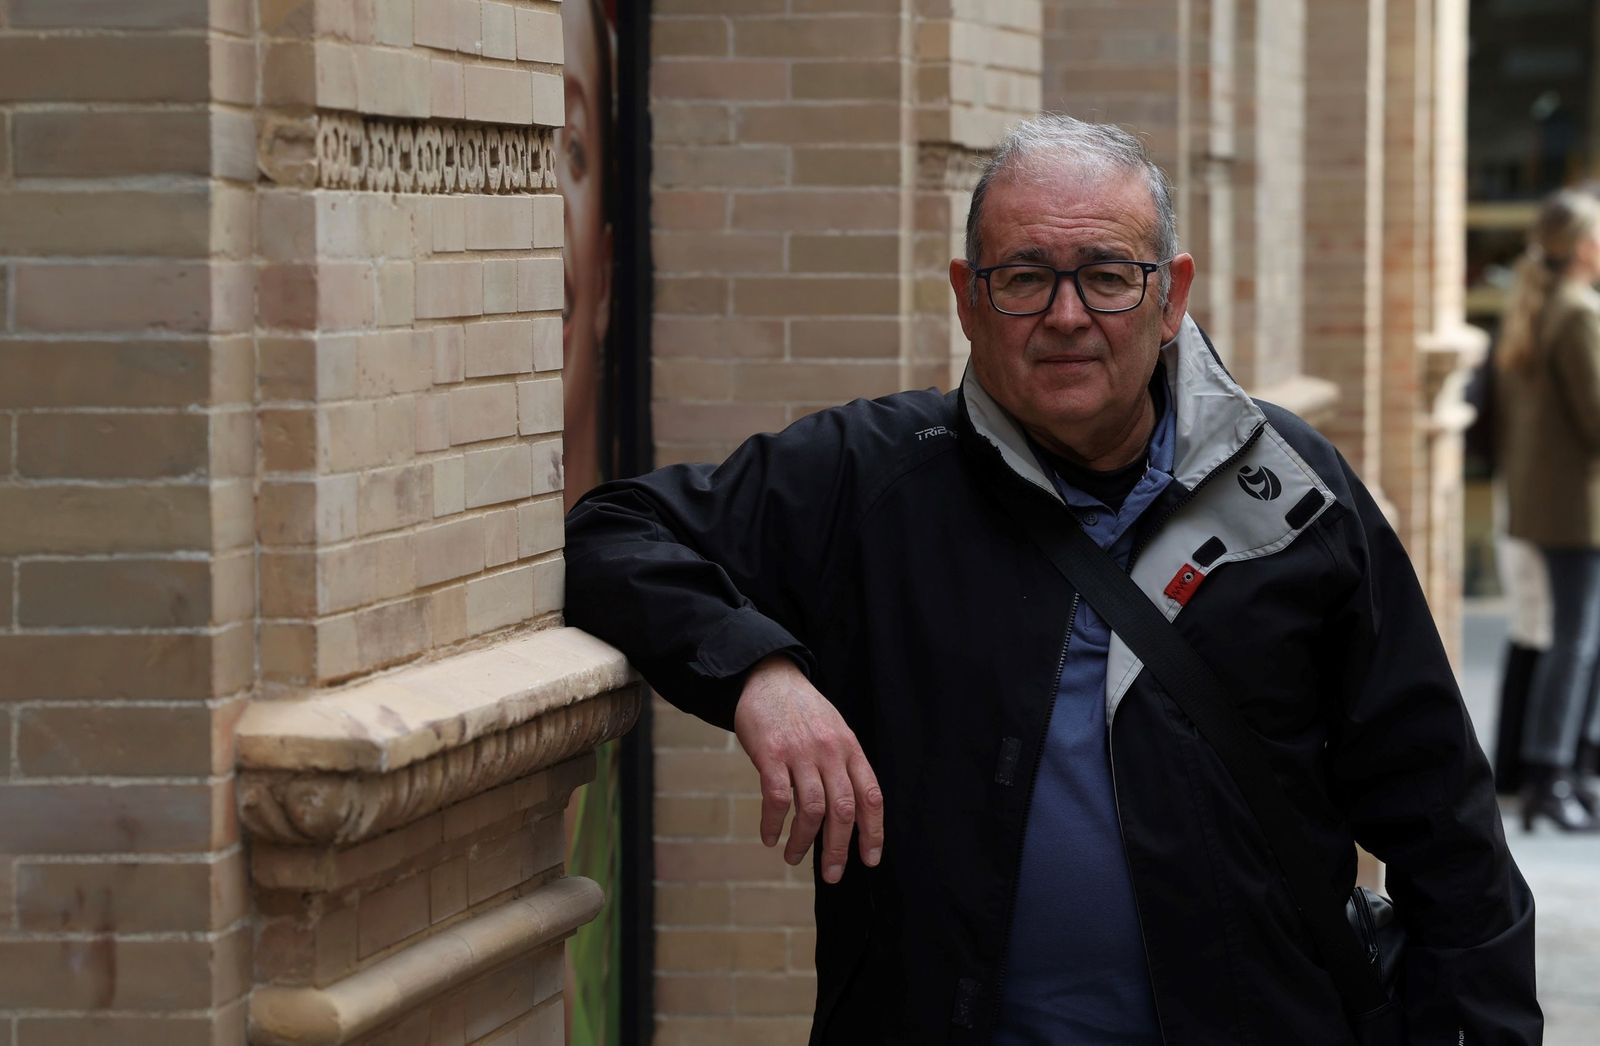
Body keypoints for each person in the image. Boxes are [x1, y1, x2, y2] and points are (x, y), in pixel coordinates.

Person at [567, 116, 1539, 1043]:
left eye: (1108, 275)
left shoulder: (1288, 490)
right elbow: (610, 531)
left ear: (1174, 294)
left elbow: (1446, 835)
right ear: (965, 294)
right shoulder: (873, 477)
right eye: (1024, 276)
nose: (1066, 316)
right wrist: (757, 674)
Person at [1497, 188, 1600, 831]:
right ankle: (1552, 774)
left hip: (1551, 502)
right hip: (1578, 510)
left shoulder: (1539, 308)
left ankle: (1566, 770)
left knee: (1576, 639)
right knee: (1578, 643)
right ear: (1586, 247)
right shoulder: (1577, 312)